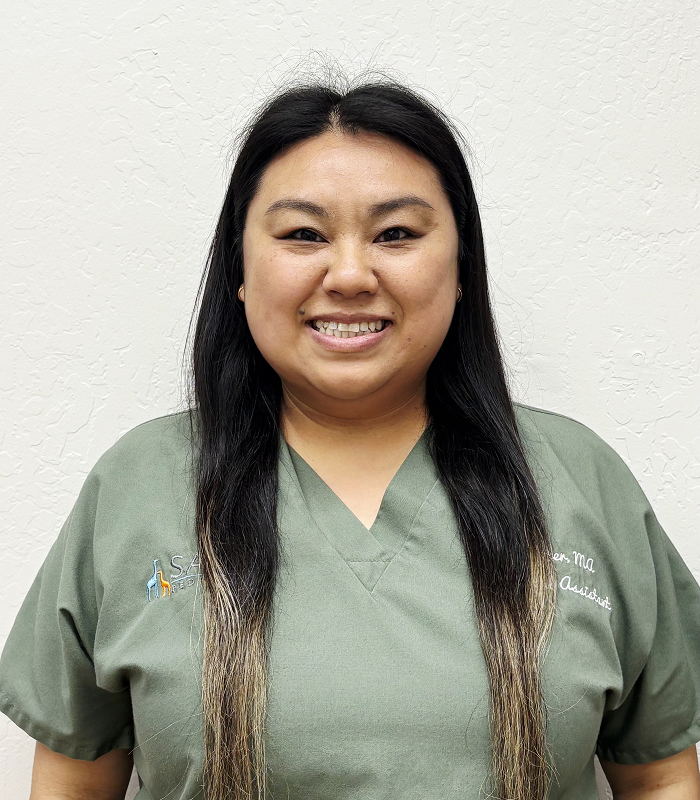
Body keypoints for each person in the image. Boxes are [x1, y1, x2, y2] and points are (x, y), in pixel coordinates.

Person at [1, 77, 699, 800]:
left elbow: (659, 777)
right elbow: (74, 785)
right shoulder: (137, 488)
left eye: (396, 234)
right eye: (303, 234)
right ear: (239, 269)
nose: (350, 274)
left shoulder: (579, 482)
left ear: (461, 268)